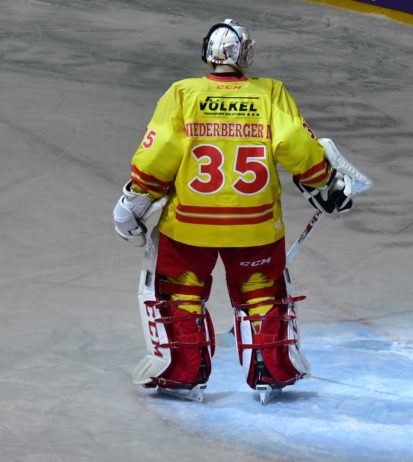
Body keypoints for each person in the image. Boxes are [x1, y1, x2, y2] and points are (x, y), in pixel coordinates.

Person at [113, 19, 353, 402]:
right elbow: (296, 144)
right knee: (261, 295)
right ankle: (271, 369)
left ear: (207, 53)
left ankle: (183, 372)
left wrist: (137, 196)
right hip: (255, 225)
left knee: (181, 295)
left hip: (189, 225)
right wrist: (323, 180)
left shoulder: (182, 93)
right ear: (245, 54)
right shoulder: (269, 92)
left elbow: (158, 155)